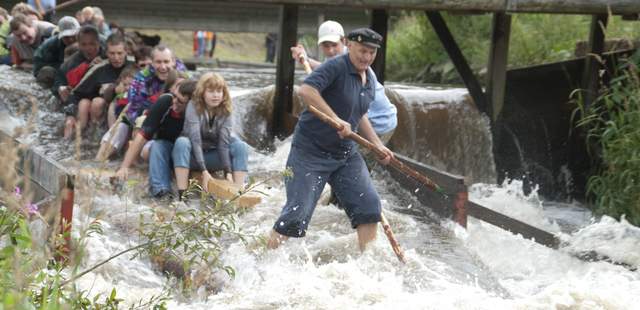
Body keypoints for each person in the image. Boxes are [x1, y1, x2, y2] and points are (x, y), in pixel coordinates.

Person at [267, 28, 394, 251]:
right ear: (348, 44)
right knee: (296, 214)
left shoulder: (369, 78)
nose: (366, 57)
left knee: (369, 206)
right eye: (362, 50)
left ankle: (370, 263)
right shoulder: (336, 66)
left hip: (345, 154)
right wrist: (335, 119)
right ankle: (265, 260)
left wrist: (376, 144)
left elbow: (360, 112)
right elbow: (306, 91)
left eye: (372, 53)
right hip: (310, 152)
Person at [291, 20, 397, 147]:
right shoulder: (339, 61)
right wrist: (306, 59)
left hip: (379, 122)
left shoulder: (358, 63)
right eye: (326, 45)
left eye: (334, 45)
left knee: (350, 157)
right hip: (362, 120)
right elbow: (327, 70)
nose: (330, 50)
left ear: (344, 42)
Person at [115, 79, 197, 199]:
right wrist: (124, 167)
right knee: (156, 146)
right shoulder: (165, 101)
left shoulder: (198, 113)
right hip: (162, 147)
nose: (174, 102)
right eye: (174, 96)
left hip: (186, 154)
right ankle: (161, 191)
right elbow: (142, 137)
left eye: (180, 101)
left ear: (192, 104)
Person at [178, 72, 249, 194]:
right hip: (191, 157)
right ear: (202, 93)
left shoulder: (226, 109)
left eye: (219, 91)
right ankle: (182, 194)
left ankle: (238, 192)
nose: (216, 95)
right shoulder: (193, 105)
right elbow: (195, 140)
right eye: (211, 91)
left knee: (240, 146)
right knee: (182, 142)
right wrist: (204, 172)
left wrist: (228, 172)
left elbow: (223, 143)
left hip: (213, 156)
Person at [63, 32, 132, 139]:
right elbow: (76, 93)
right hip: (99, 111)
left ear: (126, 52)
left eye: (119, 53)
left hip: (127, 108)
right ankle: (90, 137)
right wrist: (70, 115)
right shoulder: (99, 69)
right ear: (106, 53)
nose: (116, 57)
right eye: (112, 53)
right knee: (87, 103)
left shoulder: (135, 66)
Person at [95, 65, 137, 161]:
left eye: (130, 84)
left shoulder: (141, 96)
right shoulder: (122, 96)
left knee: (122, 124)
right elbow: (109, 98)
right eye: (125, 84)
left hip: (134, 127)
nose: (127, 88)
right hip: (120, 126)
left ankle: (102, 157)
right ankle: (100, 158)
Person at [32, 16, 80, 87]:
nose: (71, 39)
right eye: (66, 37)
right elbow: (37, 69)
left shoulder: (91, 39)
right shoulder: (48, 46)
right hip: (58, 73)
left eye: (73, 35)